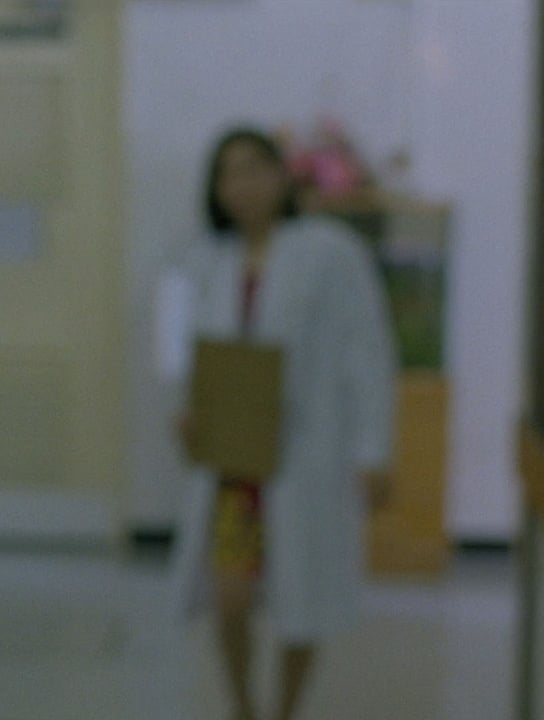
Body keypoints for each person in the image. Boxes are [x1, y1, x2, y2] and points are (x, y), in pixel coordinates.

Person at [170, 127, 397, 720]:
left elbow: (367, 352)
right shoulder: (206, 258)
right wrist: (187, 410)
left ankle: (285, 711)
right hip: (235, 461)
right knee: (230, 598)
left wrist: (374, 450)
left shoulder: (329, 251)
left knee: (304, 598)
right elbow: (182, 351)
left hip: (306, 452)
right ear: (215, 189)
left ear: (281, 176)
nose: (241, 184)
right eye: (228, 173)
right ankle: (243, 707)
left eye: (254, 168)